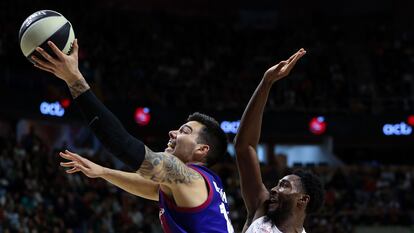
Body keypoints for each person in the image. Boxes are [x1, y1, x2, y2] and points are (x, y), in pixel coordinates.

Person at [31, 40, 234, 233]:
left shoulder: (186, 176)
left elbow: (122, 144)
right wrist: (102, 171)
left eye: (185, 131)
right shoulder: (204, 184)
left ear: (202, 149)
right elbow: (153, 189)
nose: (173, 132)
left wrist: (74, 79)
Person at [233, 49, 324, 233]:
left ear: (303, 199)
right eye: (278, 183)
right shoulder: (262, 209)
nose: (274, 189)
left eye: (284, 186)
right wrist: (266, 82)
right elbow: (245, 147)